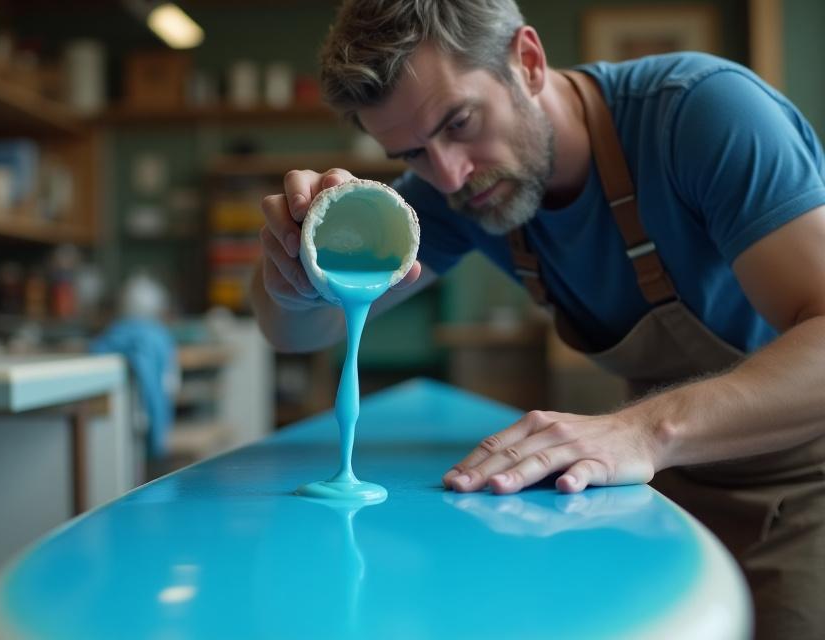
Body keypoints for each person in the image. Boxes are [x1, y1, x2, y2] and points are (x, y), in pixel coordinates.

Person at [249, 1, 825, 636]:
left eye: (460, 122)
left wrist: (643, 432)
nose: (449, 174)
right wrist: (292, 268)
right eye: (411, 153)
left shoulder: (701, 115)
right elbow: (302, 331)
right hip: (662, 484)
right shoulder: (455, 190)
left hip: (804, 479)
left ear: (526, 61)